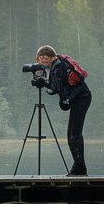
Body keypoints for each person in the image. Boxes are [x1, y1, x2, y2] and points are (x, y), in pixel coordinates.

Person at [34, 45, 91, 176]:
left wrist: (44, 83)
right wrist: (44, 83)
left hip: (81, 98)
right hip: (79, 98)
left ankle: (80, 169)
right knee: (72, 135)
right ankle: (79, 168)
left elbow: (55, 88)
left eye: (45, 58)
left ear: (51, 57)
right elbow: (58, 87)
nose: (43, 61)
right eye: (41, 59)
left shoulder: (57, 66)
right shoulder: (58, 65)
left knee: (74, 135)